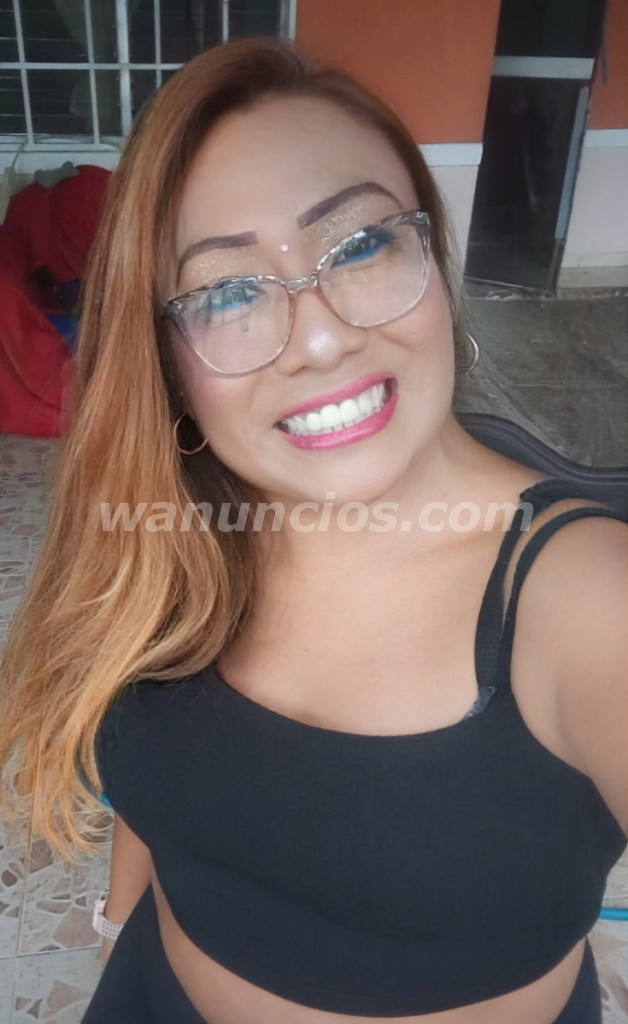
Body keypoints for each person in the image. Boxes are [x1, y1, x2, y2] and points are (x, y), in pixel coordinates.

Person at [0, 37, 626, 1024]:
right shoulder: (169, 526)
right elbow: (159, 786)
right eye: (226, 291)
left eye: (361, 246)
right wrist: (117, 923)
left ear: (433, 256)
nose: (323, 337)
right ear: (166, 359)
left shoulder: (587, 596)